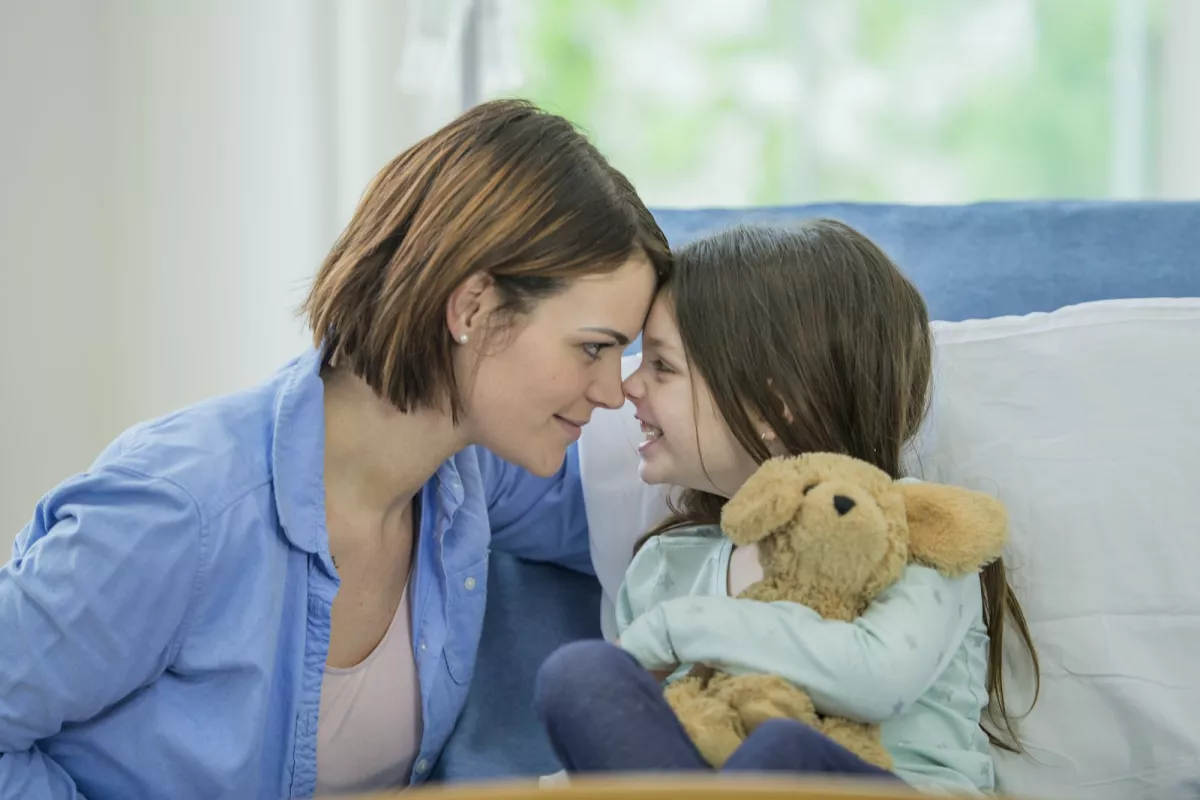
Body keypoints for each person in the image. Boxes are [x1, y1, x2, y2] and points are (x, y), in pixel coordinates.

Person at [0, 99, 670, 799]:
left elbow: (668, 507)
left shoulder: (469, 477)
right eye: (592, 348)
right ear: (473, 309)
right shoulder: (181, 512)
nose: (611, 391)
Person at [534, 221, 1041, 794]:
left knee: (783, 752)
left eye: (663, 366)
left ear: (770, 407)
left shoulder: (916, 541)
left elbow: (876, 680)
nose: (628, 387)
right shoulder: (664, 567)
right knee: (578, 677)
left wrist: (678, 630)